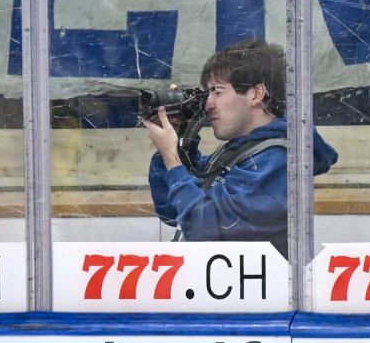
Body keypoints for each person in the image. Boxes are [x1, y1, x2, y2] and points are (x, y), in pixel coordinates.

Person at [144, 39, 337, 258]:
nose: (208, 104)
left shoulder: (277, 162)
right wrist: (178, 138)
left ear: (256, 94)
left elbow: (205, 231)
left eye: (217, 91)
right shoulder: (237, 152)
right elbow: (171, 210)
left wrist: (171, 158)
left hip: (258, 290)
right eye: (208, 93)